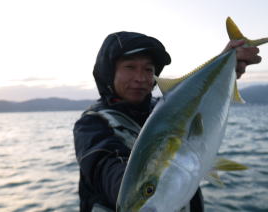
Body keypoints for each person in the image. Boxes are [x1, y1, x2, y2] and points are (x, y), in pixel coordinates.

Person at [73, 31, 261, 212]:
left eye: (148, 69)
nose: (140, 78)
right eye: (130, 67)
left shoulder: (169, 108)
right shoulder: (90, 125)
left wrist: (226, 63)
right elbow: (105, 168)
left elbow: (202, 94)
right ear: (109, 72)